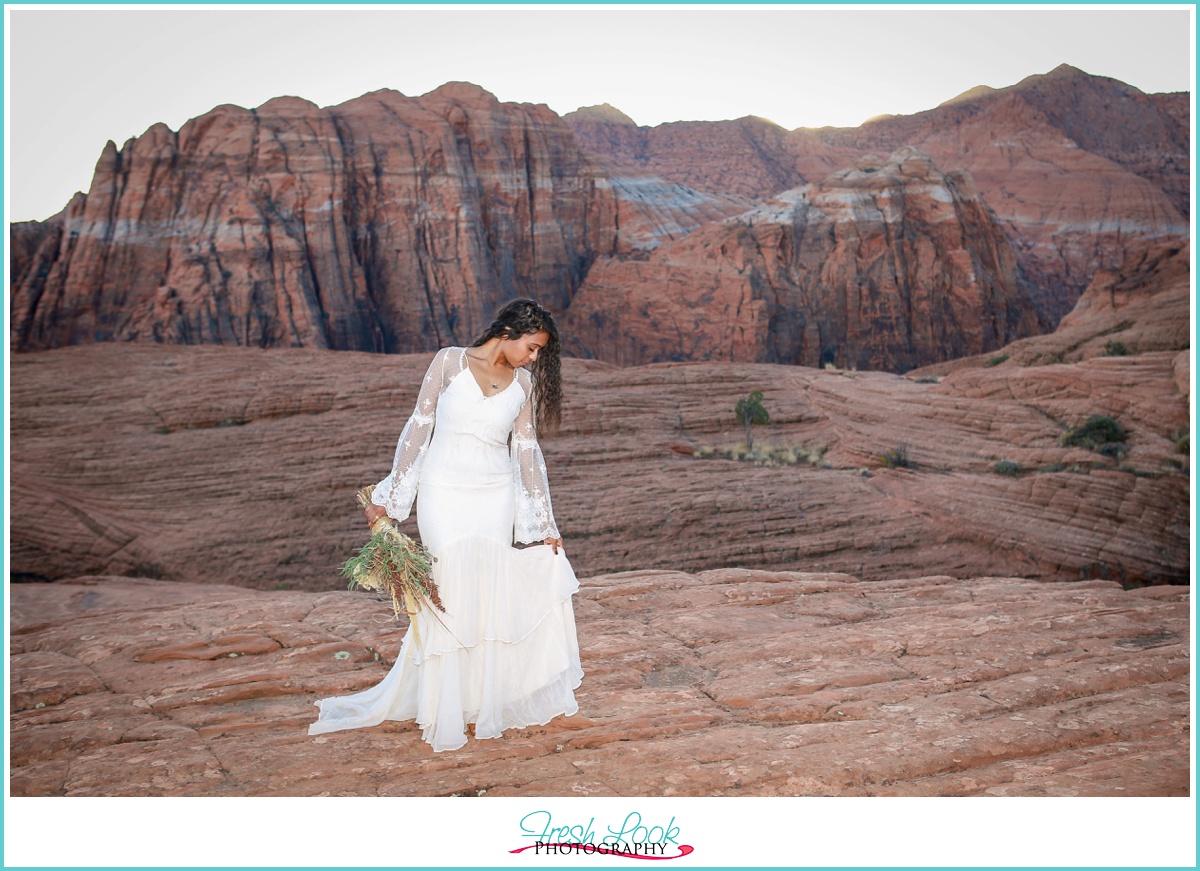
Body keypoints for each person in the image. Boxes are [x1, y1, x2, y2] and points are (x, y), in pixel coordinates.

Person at [309, 299, 583, 752]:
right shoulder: (449, 361)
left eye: (538, 353)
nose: (534, 358)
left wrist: (543, 525)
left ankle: (479, 700)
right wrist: (390, 500)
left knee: (485, 591)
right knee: (448, 590)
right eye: (532, 348)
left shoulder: (525, 385)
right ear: (511, 331)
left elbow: (528, 455)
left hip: (494, 495)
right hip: (443, 491)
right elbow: (418, 428)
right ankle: (443, 705)